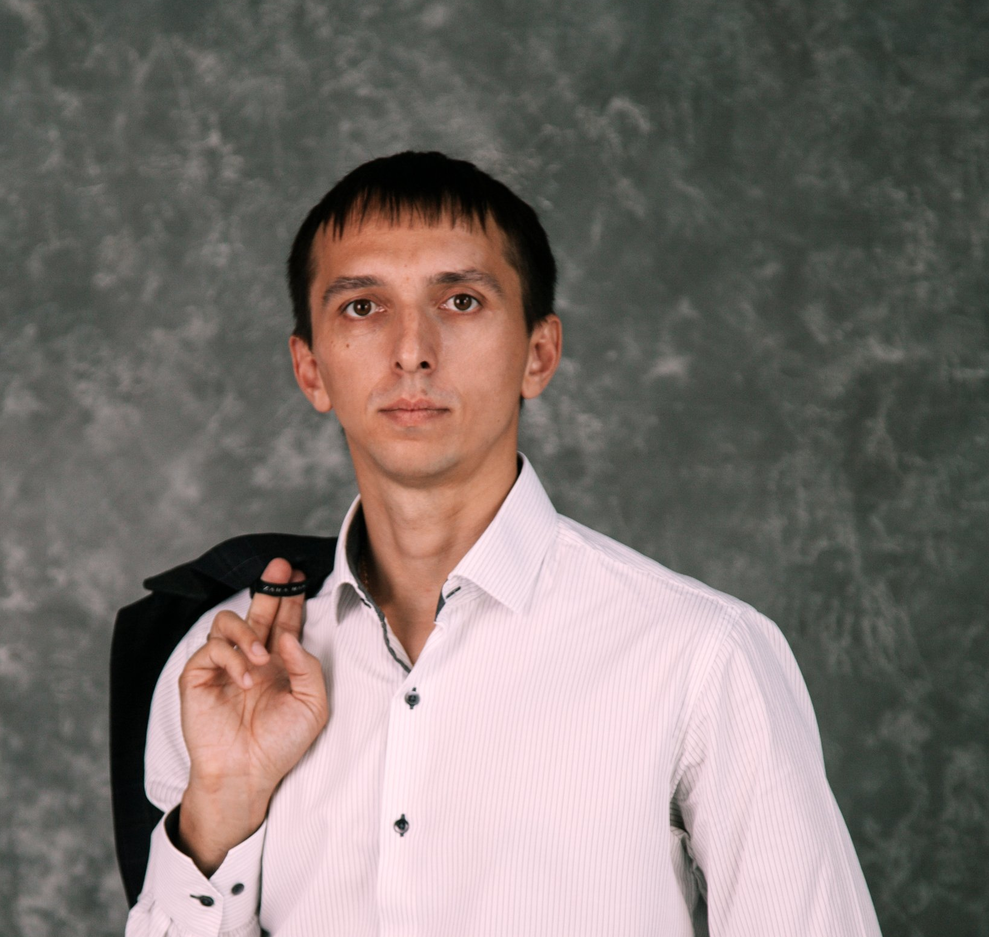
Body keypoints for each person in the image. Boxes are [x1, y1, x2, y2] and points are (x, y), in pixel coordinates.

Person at [116, 151, 882, 936]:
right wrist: (221, 808)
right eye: (362, 307)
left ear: (538, 354)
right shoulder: (225, 667)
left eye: (461, 300)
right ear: (311, 369)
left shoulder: (702, 656)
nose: (412, 349)